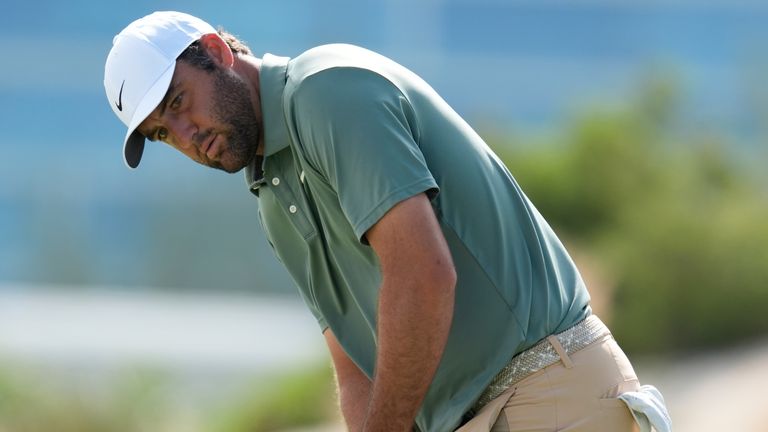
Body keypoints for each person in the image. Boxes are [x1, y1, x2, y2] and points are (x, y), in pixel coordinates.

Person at [103, 11, 670, 432]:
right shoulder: (271, 197)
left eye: (177, 102)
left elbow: (423, 276)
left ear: (216, 52)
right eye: (163, 133)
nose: (186, 136)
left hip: (549, 393)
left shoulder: (326, 91)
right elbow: (356, 368)